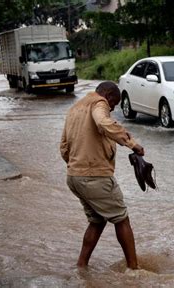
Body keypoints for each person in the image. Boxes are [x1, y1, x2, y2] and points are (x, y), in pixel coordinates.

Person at [60, 81, 144, 270]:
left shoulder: (75, 108)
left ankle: (81, 266)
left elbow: (64, 146)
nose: (112, 108)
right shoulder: (99, 103)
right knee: (122, 218)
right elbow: (103, 122)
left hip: (73, 176)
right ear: (107, 94)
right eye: (114, 103)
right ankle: (134, 270)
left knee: (96, 221)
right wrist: (132, 143)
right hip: (95, 177)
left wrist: (77, 166)